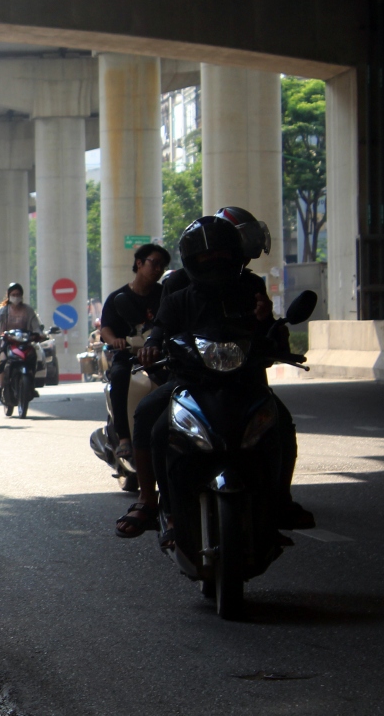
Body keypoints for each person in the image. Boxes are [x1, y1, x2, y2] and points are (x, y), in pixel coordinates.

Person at [119, 207, 312, 539]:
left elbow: (273, 335)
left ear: (235, 254)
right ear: (193, 259)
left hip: (245, 381)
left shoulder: (250, 285)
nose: (214, 262)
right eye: (206, 256)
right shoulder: (178, 290)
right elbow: (159, 328)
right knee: (149, 416)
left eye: (222, 254)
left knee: (281, 425)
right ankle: (150, 501)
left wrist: (267, 320)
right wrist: (151, 346)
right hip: (191, 381)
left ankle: (280, 500)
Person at [99, 244, 171, 468]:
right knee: (119, 377)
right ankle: (124, 438)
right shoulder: (117, 298)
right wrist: (115, 341)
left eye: (162, 265)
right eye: (154, 263)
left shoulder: (166, 296)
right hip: (128, 354)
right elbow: (106, 329)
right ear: (139, 263)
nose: (158, 269)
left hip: (159, 354)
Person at [0, 282, 42, 391]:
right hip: (7, 343)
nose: (16, 297)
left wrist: (40, 334)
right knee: (2, 361)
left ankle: (30, 384)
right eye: (13, 294)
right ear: (8, 296)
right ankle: (2, 387)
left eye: (18, 294)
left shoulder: (28, 310)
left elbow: (36, 327)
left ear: (22, 296)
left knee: (33, 357)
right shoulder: (3, 310)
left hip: (24, 343)